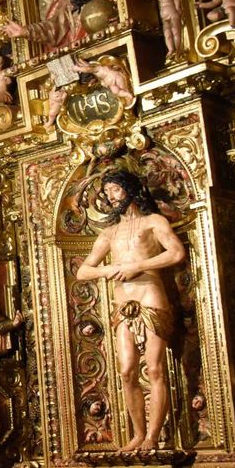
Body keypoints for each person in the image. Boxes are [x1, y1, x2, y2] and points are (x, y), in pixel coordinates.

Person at [75, 170, 187, 452]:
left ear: (130, 190)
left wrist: (138, 266)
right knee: (126, 371)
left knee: (155, 368)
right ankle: (138, 433)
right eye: (108, 191)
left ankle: (153, 436)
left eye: (115, 190)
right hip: (122, 305)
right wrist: (110, 269)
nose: (111, 197)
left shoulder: (153, 222)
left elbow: (176, 252)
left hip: (150, 297)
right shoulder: (109, 232)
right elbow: (83, 271)